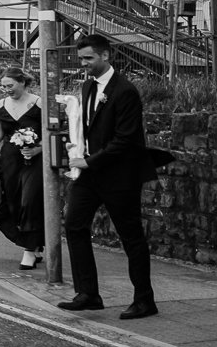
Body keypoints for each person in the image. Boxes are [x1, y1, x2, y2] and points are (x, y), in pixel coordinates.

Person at [60, 33, 170, 320]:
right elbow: (87, 128)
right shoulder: (86, 87)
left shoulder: (125, 91)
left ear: (106, 56)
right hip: (89, 175)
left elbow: (125, 140)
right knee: (73, 225)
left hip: (120, 176)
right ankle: (88, 294)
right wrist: (75, 146)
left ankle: (145, 300)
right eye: (81, 59)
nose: (83, 64)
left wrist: (88, 160)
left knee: (131, 237)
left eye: (88, 58)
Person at [0, 68, 46, 270]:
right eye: (4, 86)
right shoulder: (2, 104)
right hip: (10, 159)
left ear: (22, 82)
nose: (7, 90)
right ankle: (34, 243)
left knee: (29, 200)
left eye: (10, 86)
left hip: (34, 159)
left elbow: (51, 133)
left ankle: (29, 251)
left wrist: (38, 150)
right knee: (14, 203)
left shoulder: (39, 102)